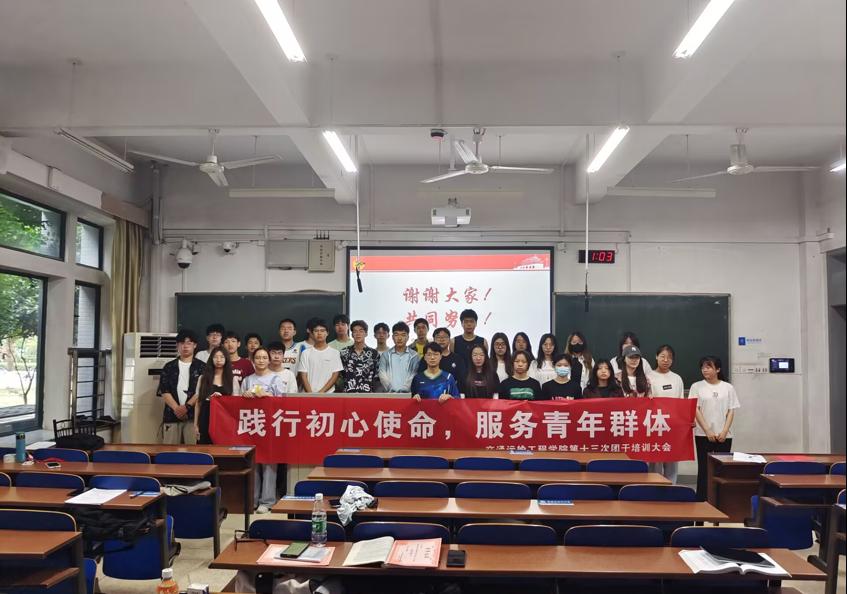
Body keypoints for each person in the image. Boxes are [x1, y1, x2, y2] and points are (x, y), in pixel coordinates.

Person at [241, 347, 284, 514]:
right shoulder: (247, 380)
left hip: (271, 426)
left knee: (269, 464)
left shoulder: (276, 379)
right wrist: (244, 395)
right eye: (258, 357)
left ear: (269, 360)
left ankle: (267, 501)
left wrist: (267, 395)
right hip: (252, 426)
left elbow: (283, 402)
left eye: (264, 357)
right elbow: (238, 403)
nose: (261, 360)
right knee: (253, 463)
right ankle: (252, 500)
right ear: (252, 360)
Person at [690, 356, 740, 500]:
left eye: (708, 367)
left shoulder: (728, 387)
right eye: (703, 367)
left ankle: (719, 500)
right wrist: (707, 430)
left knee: (721, 469)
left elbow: (731, 411)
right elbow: (695, 409)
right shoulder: (696, 386)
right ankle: (701, 500)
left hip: (724, 436)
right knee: (704, 468)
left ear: (717, 369)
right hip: (702, 434)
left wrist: (724, 431)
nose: (704, 370)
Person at [156, 329, 205, 445]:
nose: (185, 346)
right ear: (177, 345)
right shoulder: (169, 366)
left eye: (189, 343)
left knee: (193, 451)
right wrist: (177, 409)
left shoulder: (202, 367)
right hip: (171, 416)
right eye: (182, 343)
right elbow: (164, 390)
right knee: (170, 450)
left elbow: (202, 391)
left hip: (193, 418)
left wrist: (186, 407)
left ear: (195, 345)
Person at [648, 344, 685, 483]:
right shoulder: (649, 377)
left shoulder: (677, 378)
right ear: (656, 357)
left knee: (672, 460)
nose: (665, 360)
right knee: (655, 461)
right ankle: (654, 488)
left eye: (669, 357)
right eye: (662, 356)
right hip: (655, 425)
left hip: (673, 426)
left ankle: (671, 489)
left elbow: (681, 402)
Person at [194, 347, 238, 444]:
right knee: (204, 448)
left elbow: (235, 404)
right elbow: (198, 403)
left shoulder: (232, 379)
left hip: (224, 421)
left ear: (226, 359)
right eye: (215, 357)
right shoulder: (203, 378)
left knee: (222, 449)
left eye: (222, 357)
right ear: (211, 359)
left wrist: (222, 399)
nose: (218, 360)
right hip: (205, 418)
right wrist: (196, 425)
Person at [297, 319, 343, 393]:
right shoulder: (305, 353)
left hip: (328, 394)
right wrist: (311, 394)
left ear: (327, 333)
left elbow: (335, 375)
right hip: (308, 395)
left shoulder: (335, 353)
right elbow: (303, 375)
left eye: (322, 330)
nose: (319, 333)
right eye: (316, 331)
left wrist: (321, 393)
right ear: (312, 333)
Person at [416, 327, 466, 393]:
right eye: (438, 337)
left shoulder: (458, 359)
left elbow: (461, 380)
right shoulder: (427, 358)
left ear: (449, 340)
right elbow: (420, 377)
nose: (441, 340)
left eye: (445, 337)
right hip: (430, 394)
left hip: (451, 395)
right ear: (434, 340)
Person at [378, 321, 420, 393]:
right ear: (392, 337)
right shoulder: (385, 355)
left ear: (408, 337)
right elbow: (382, 374)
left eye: (403, 335)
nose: (399, 338)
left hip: (408, 395)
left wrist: (405, 389)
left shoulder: (414, 356)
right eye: (396, 335)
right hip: (389, 394)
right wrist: (390, 389)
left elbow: (414, 374)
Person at [340, 320, 380, 393]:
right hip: (348, 394)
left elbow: (377, 377)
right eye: (355, 331)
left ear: (366, 334)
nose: (358, 334)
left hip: (367, 395)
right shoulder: (344, 352)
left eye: (361, 331)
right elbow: (340, 375)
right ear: (352, 334)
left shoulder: (374, 354)